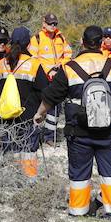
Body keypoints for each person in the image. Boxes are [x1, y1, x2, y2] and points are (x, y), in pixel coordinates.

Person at [33, 26, 111, 221]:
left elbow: (51, 97)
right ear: (102, 43)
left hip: (79, 132)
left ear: (82, 41)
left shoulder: (69, 68)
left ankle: (78, 213)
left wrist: (39, 114)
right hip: (110, 131)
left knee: (79, 173)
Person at [0, 26, 49, 178]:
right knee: (28, 152)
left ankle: (8, 179)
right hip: (28, 116)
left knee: (8, 150)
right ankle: (29, 181)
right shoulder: (34, 64)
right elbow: (44, 90)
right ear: (29, 44)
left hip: (5, 116)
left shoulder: (0, 64)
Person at [29, 13, 73, 143]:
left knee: (56, 107)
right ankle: (34, 134)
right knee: (39, 105)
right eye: (50, 23)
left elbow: (68, 55)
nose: (52, 26)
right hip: (42, 78)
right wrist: (47, 70)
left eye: (55, 23)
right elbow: (32, 59)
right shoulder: (36, 39)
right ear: (43, 23)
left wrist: (60, 65)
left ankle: (49, 136)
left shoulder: (61, 38)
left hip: (58, 78)